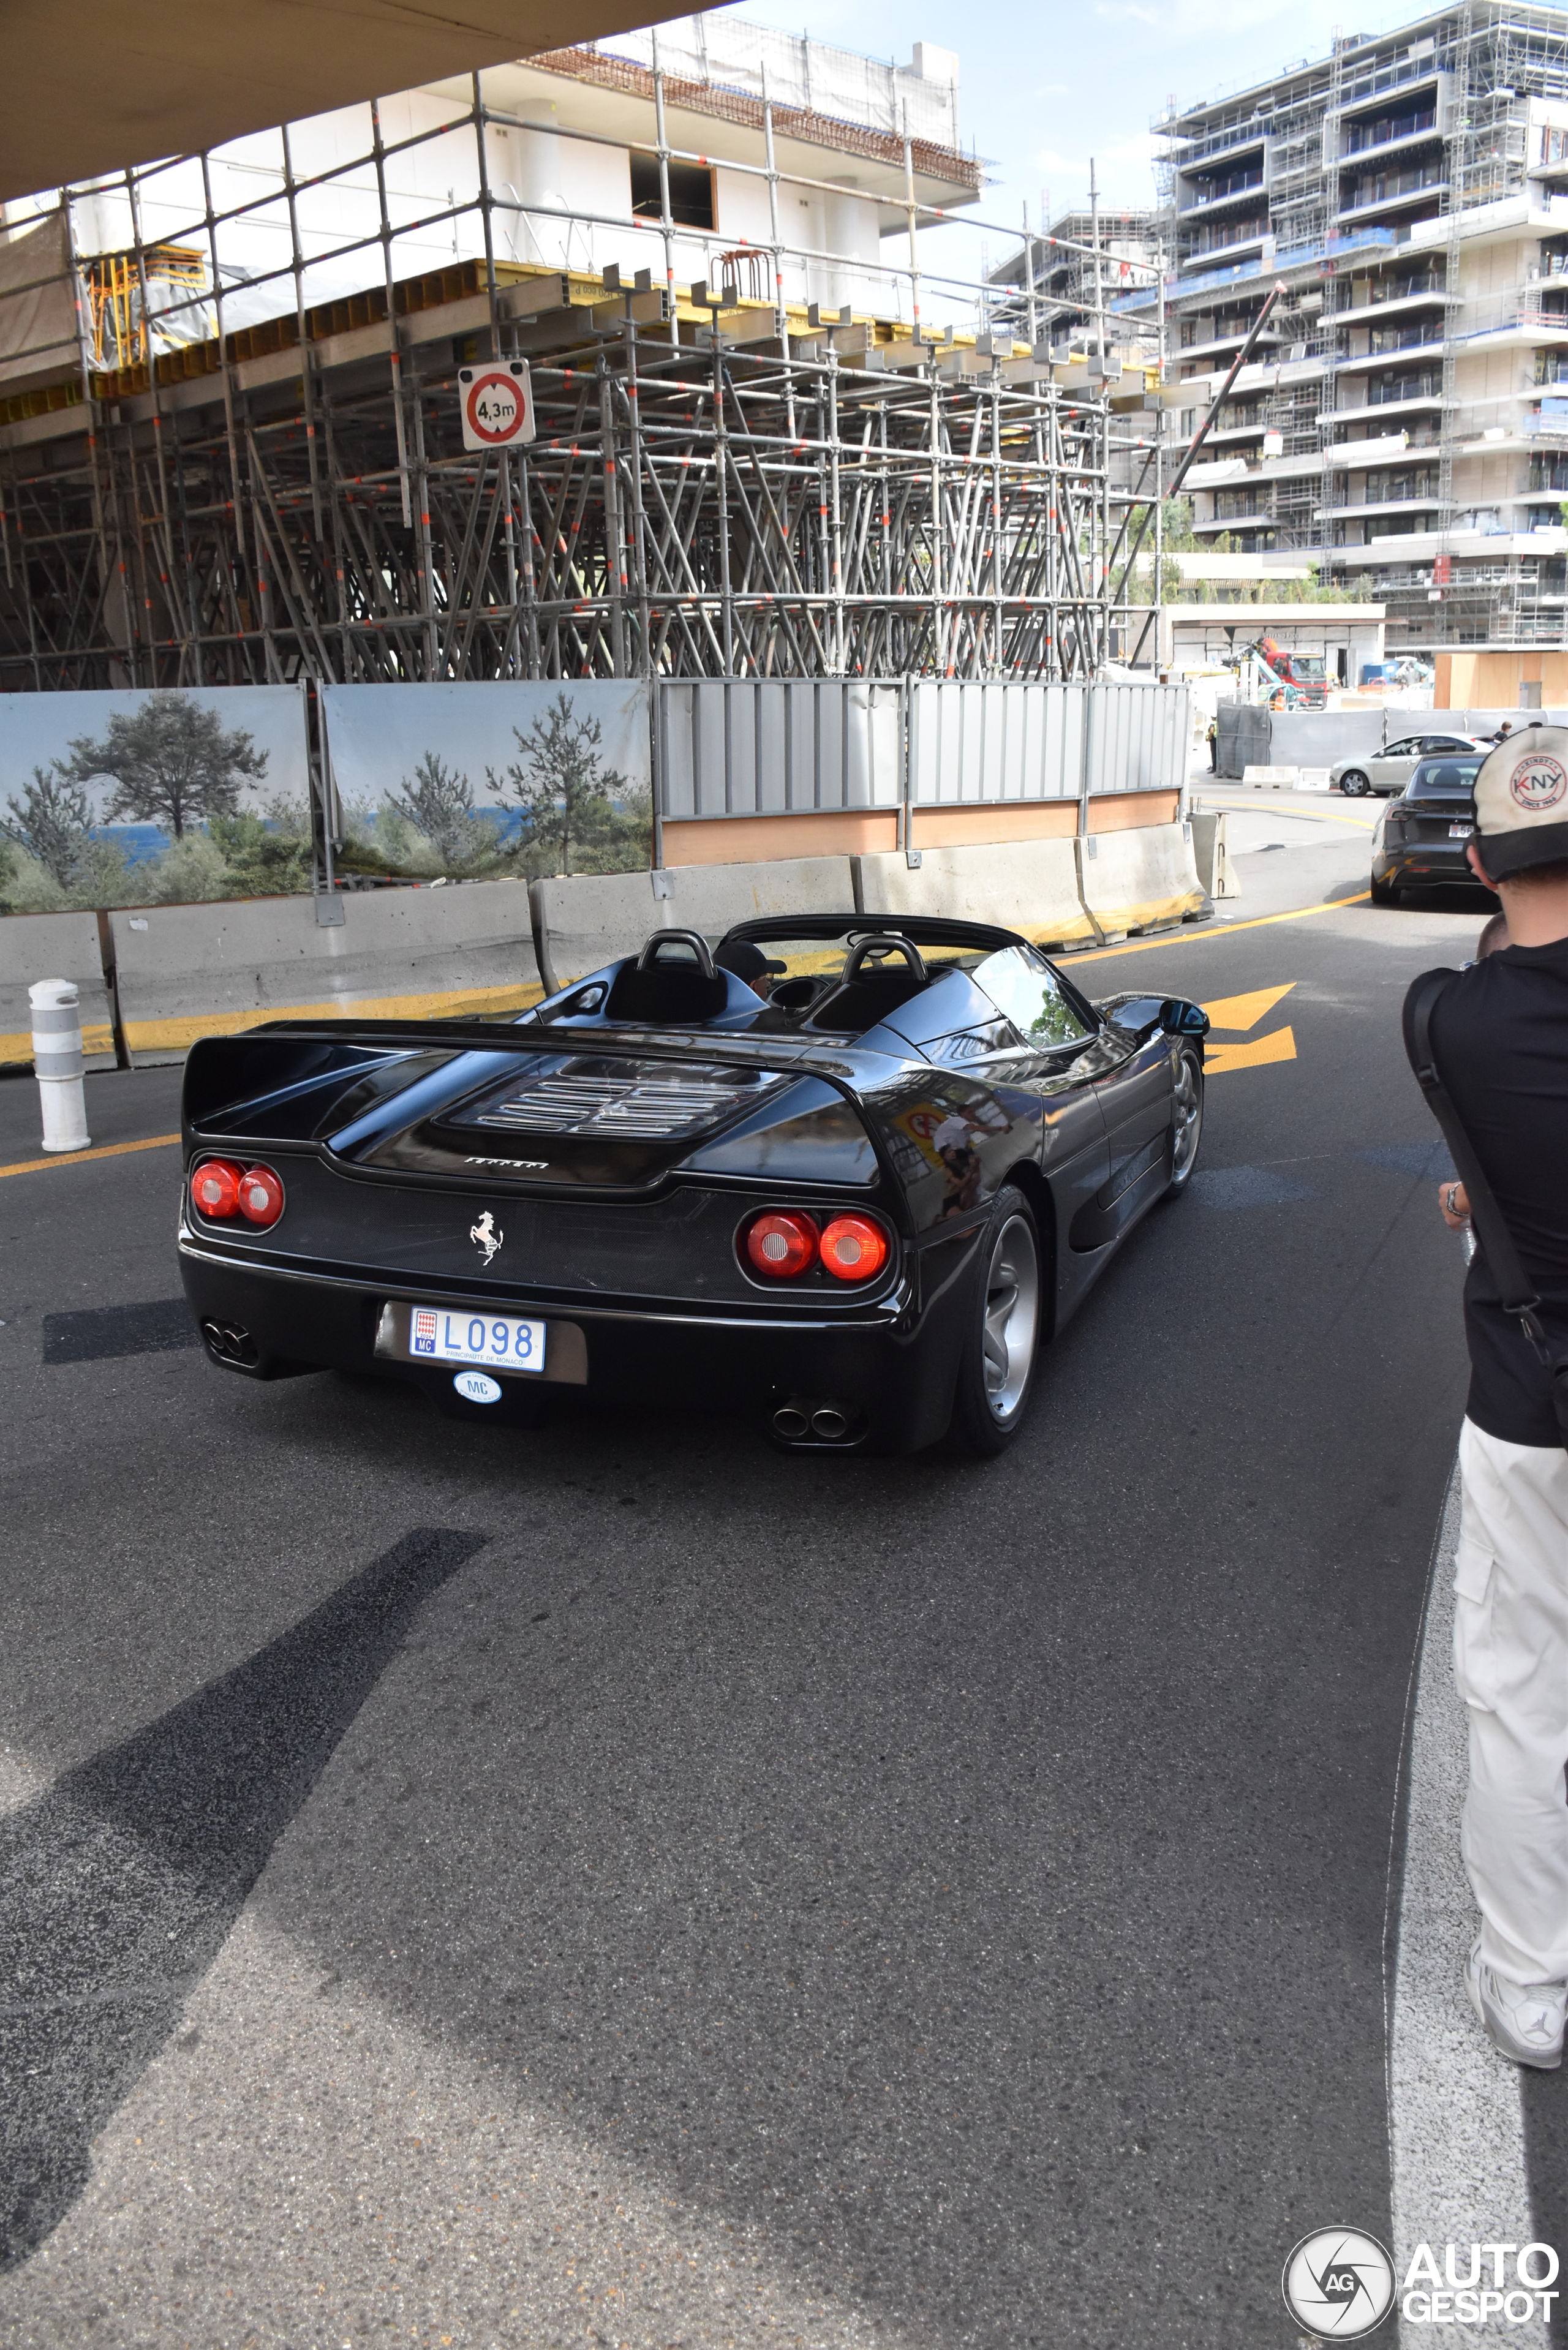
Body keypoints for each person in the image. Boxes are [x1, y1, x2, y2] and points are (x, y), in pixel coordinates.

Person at [1408, 725, 1568, 2069]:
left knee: (1519, 1694)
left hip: (1530, 1404)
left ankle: (1526, 1981)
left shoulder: (1443, 1020)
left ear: (1475, 864)